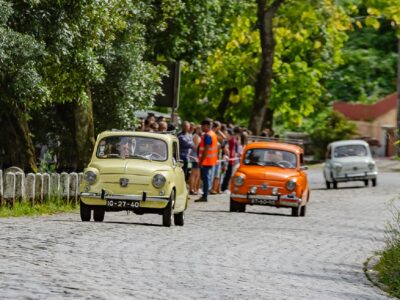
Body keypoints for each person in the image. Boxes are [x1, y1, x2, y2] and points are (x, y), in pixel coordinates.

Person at [195, 119, 218, 202]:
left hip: (206, 161)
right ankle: (205, 195)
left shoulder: (208, 135)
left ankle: (205, 196)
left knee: (205, 178)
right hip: (210, 160)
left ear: (206, 126)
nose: (201, 127)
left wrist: (201, 161)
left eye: (202, 126)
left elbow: (206, 149)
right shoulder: (213, 134)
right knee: (206, 178)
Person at [188, 125, 201, 195]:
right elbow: (196, 147)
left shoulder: (198, 136)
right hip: (195, 157)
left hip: (197, 157)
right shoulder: (196, 136)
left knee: (197, 174)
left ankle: (195, 188)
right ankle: (191, 189)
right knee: (194, 174)